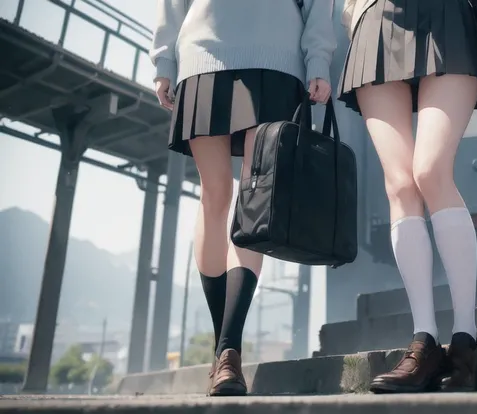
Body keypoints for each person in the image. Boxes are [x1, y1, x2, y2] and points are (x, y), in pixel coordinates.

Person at [150, 0, 336, 397]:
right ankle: (225, 350)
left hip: (277, 58)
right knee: (215, 195)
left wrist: (318, 58)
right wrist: (163, 62)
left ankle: (228, 350)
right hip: (203, 53)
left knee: (255, 192)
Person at [338, 0, 477, 393]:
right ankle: (423, 341)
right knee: (401, 184)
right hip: (378, 19)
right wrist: (353, 14)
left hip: (452, 15)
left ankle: (464, 341)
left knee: (430, 170)